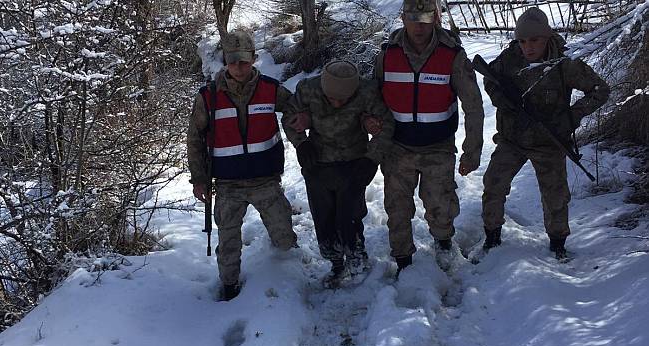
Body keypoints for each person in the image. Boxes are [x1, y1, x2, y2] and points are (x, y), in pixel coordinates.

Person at [480, 7, 610, 260]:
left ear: (547, 37)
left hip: (550, 142)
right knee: (493, 185)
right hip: (513, 139)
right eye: (522, 41)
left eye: (534, 40)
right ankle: (492, 238)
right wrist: (504, 102)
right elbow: (489, 78)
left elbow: (600, 90)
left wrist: (571, 116)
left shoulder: (565, 63)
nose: (528, 47)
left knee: (555, 196)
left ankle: (558, 244)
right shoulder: (509, 59)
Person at [187, 30, 297, 301]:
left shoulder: (271, 89)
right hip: (227, 185)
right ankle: (229, 286)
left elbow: (298, 111)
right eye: (233, 61)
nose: (238, 67)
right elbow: (195, 139)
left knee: (284, 238)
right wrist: (199, 178)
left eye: (244, 61)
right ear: (226, 60)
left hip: (266, 181)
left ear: (254, 59)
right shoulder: (208, 97)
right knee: (228, 243)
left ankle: (287, 270)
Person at [374, 0, 484, 272]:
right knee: (397, 209)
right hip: (397, 147)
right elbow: (371, 98)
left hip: (438, 147)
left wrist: (472, 151)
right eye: (413, 19)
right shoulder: (387, 54)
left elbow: (473, 106)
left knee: (440, 203)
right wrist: (369, 123)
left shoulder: (452, 55)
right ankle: (403, 259)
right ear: (402, 18)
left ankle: (444, 242)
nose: (419, 26)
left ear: (435, 18)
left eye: (425, 19)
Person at [282, 60, 394, 287]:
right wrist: (301, 143)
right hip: (318, 164)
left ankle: (357, 260)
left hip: (353, 164)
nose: (337, 103)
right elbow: (288, 116)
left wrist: (372, 158)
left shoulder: (366, 91)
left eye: (343, 100)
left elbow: (387, 123)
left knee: (349, 217)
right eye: (332, 98)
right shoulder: (308, 89)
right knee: (324, 220)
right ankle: (336, 263)